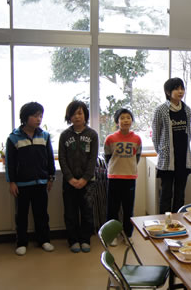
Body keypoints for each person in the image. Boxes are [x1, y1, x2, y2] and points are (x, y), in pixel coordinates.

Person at [5, 102, 56, 256]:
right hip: (21, 184)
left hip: (41, 182)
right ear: (25, 117)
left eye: (40, 116)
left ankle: (44, 240)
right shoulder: (13, 138)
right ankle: (21, 242)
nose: (38, 119)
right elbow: (10, 162)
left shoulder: (45, 136)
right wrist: (12, 182)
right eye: (35, 116)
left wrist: (51, 177)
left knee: (41, 214)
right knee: (21, 215)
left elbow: (50, 158)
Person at [58, 100, 99, 253]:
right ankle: (73, 240)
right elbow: (62, 158)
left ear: (85, 115)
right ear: (69, 117)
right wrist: (70, 178)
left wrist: (84, 179)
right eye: (73, 114)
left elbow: (93, 159)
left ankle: (85, 239)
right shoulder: (64, 135)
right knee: (70, 212)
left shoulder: (92, 135)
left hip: (88, 182)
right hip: (69, 182)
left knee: (87, 211)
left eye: (80, 113)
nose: (77, 117)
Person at [152, 78, 191, 213]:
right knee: (166, 195)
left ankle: (178, 224)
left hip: (183, 159)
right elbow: (156, 134)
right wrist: (162, 151)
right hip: (167, 160)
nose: (180, 91)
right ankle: (165, 225)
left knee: (180, 195)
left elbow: (189, 132)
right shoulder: (161, 110)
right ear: (168, 92)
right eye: (177, 88)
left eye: (182, 88)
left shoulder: (187, 109)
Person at [104, 108, 142, 245]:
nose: (126, 120)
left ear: (132, 121)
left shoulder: (137, 139)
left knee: (128, 208)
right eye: (122, 118)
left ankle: (128, 234)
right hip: (114, 177)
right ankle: (112, 235)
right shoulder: (110, 139)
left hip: (130, 178)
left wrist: (128, 168)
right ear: (117, 121)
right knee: (112, 208)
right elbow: (108, 157)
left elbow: (137, 157)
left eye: (128, 117)